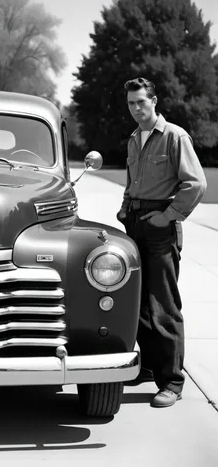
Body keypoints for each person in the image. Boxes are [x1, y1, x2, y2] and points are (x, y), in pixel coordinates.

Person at [117, 77, 207, 408]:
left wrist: (168, 216)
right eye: (131, 103)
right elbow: (132, 182)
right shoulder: (133, 139)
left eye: (141, 102)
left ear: (154, 101)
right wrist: (126, 209)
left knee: (163, 304)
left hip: (160, 225)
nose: (136, 108)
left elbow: (195, 184)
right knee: (137, 300)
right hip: (136, 223)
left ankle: (172, 381)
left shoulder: (174, 136)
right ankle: (150, 367)